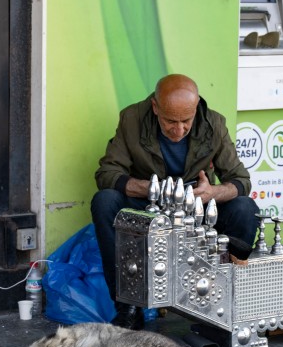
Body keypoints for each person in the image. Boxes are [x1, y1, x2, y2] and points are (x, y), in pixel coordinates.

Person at [92, 74, 260, 327]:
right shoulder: (132, 119)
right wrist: (147, 188)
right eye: (170, 121)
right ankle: (128, 307)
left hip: (196, 207)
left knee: (245, 208)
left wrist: (212, 192)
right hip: (150, 206)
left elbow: (240, 181)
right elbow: (107, 174)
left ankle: (222, 305)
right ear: (155, 107)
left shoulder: (213, 123)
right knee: (105, 201)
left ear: (195, 110)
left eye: (186, 121)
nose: (178, 130)